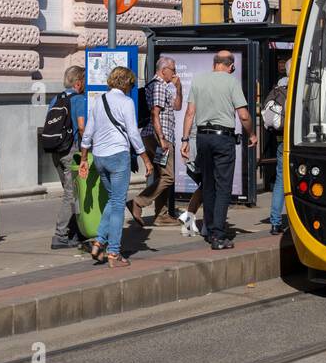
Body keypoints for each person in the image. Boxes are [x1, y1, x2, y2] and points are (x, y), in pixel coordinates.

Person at [179, 50, 256, 250]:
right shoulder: (232, 82)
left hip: (203, 138)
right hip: (223, 139)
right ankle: (218, 236)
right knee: (223, 186)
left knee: (208, 184)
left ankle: (210, 228)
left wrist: (185, 140)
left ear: (215, 64)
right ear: (230, 66)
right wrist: (252, 135)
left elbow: (189, 113)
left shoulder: (198, 81)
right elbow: (244, 115)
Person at [78, 66, 154, 268]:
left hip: (100, 157)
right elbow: (133, 134)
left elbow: (88, 131)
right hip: (118, 156)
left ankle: (99, 242)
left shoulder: (98, 100)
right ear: (127, 83)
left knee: (113, 199)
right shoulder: (127, 102)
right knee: (118, 204)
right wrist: (145, 159)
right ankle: (113, 252)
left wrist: (85, 157)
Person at [128, 56, 182, 228]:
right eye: (173, 70)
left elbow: (177, 106)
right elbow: (155, 114)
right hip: (159, 137)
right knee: (168, 176)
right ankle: (138, 202)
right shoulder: (158, 86)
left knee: (161, 175)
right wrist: (162, 139)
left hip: (156, 136)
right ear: (163, 69)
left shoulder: (165, 86)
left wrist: (178, 88)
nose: (174, 73)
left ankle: (162, 215)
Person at [47, 65, 88, 249]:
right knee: (72, 194)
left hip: (56, 151)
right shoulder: (79, 99)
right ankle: (60, 235)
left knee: (71, 192)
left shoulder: (56, 98)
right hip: (71, 151)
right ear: (79, 83)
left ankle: (75, 231)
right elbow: (81, 127)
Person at [262, 56, 290, 235]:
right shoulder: (302, 86)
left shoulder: (279, 88)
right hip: (301, 144)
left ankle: (275, 221)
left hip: (282, 141)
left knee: (280, 181)